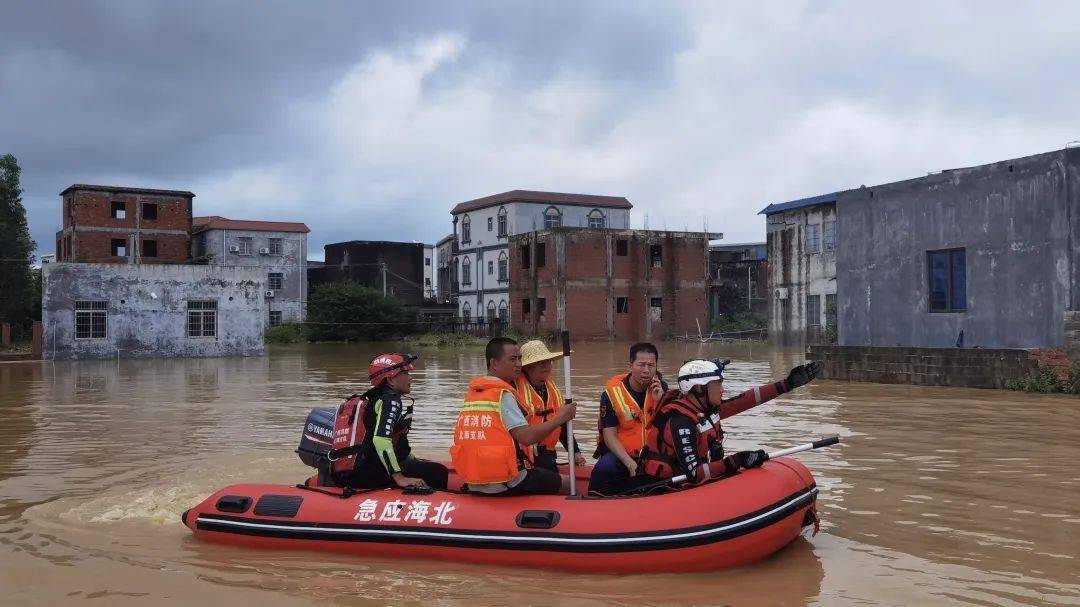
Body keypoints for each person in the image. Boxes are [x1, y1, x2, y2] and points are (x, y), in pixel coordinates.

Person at [634, 359, 822, 488]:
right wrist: (738, 460)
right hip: (665, 488)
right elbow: (695, 474)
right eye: (718, 384)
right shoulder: (680, 421)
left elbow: (746, 400)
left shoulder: (706, 410)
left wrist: (787, 384)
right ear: (700, 388)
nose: (723, 389)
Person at [450, 337, 577, 495]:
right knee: (568, 483)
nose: (518, 364)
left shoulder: (475, 393)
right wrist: (560, 418)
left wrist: (575, 452)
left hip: (477, 478)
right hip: (506, 481)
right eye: (512, 359)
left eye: (519, 359)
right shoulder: (503, 394)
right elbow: (526, 437)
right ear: (494, 363)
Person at [329, 353, 449, 490]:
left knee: (423, 467)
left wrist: (412, 461)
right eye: (406, 374)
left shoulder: (373, 398)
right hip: (369, 474)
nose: (411, 378)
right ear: (391, 380)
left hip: (354, 471)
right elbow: (381, 440)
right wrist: (399, 478)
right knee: (438, 473)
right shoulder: (391, 401)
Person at [587, 342, 668, 494]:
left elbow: (668, 430)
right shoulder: (611, 395)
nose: (646, 370)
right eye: (641, 365)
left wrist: (660, 402)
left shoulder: (662, 389)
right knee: (605, 468)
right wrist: (631, 464)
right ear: (630, 366)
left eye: (651, 365)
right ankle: (594, 499)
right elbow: (609, 436)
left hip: (653, 454)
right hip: (622, 455)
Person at [515, 340, 587, 473]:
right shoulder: (515, 390)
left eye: (548, 361)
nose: (546, 366)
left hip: (547, 454)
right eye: (540, 362)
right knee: (558, 482)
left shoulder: (551, 389)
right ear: (528, 366)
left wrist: (575, 452)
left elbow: (562, 425)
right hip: (523, 455)